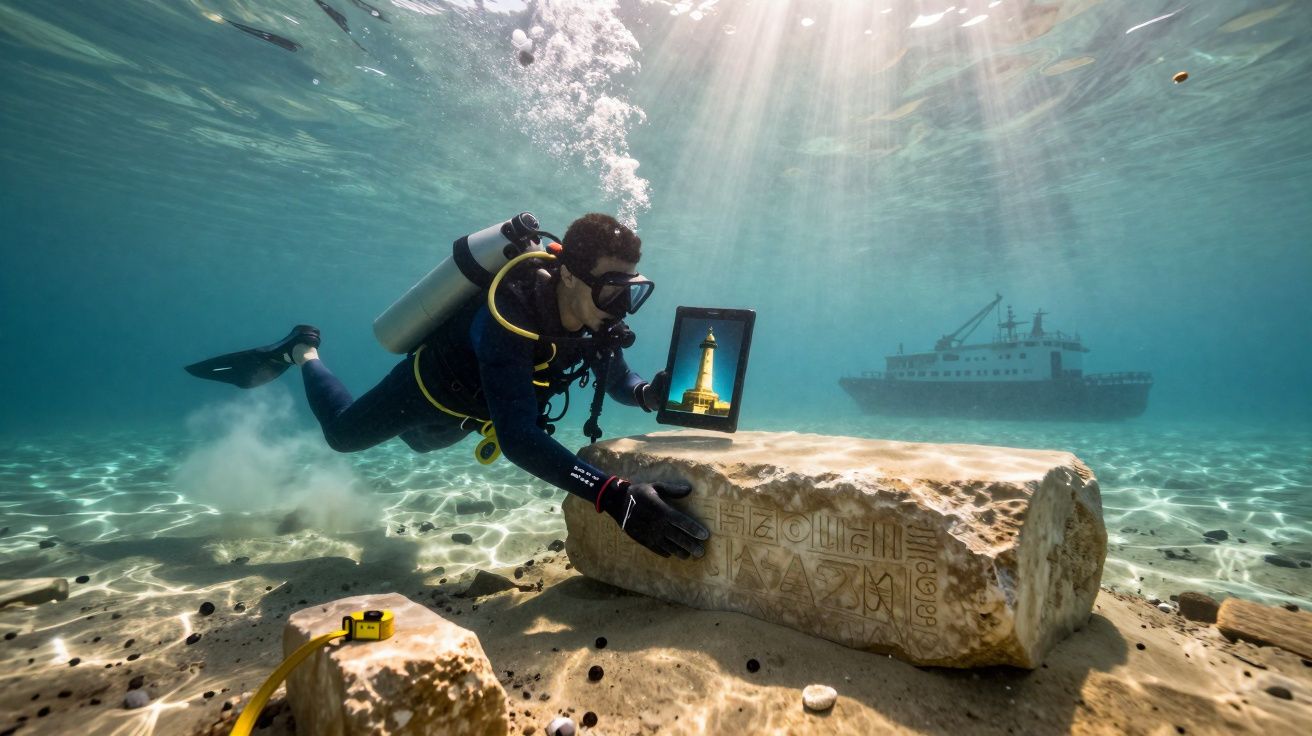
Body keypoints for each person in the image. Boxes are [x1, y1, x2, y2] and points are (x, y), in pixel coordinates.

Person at [187, 214, 709, 560]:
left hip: (473, 415)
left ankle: (309, 356)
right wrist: (613, 496)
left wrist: (646, 394)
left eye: (631, 292)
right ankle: (303, 350)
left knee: (421, 447)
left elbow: (616, 376)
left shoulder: (593, 318)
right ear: (570, 275)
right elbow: (519, 439)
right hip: (427, 392)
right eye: (613, 290)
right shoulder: (511, 313)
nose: (621, 308)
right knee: (343, 436)